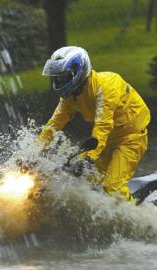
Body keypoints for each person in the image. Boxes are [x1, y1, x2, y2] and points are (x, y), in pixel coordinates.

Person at [38, 46, 150, 200]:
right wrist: (33, 152)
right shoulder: (70, 97)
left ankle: (141, 222)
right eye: (58, 77)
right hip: (103, 142)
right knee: (80, 183)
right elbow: (54, 124)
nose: (59, 80)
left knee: (112, 188)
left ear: (79, 71)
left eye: (63, 76)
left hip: (130, 139)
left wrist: (89, 158)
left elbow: (103, 124)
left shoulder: (107, 85)